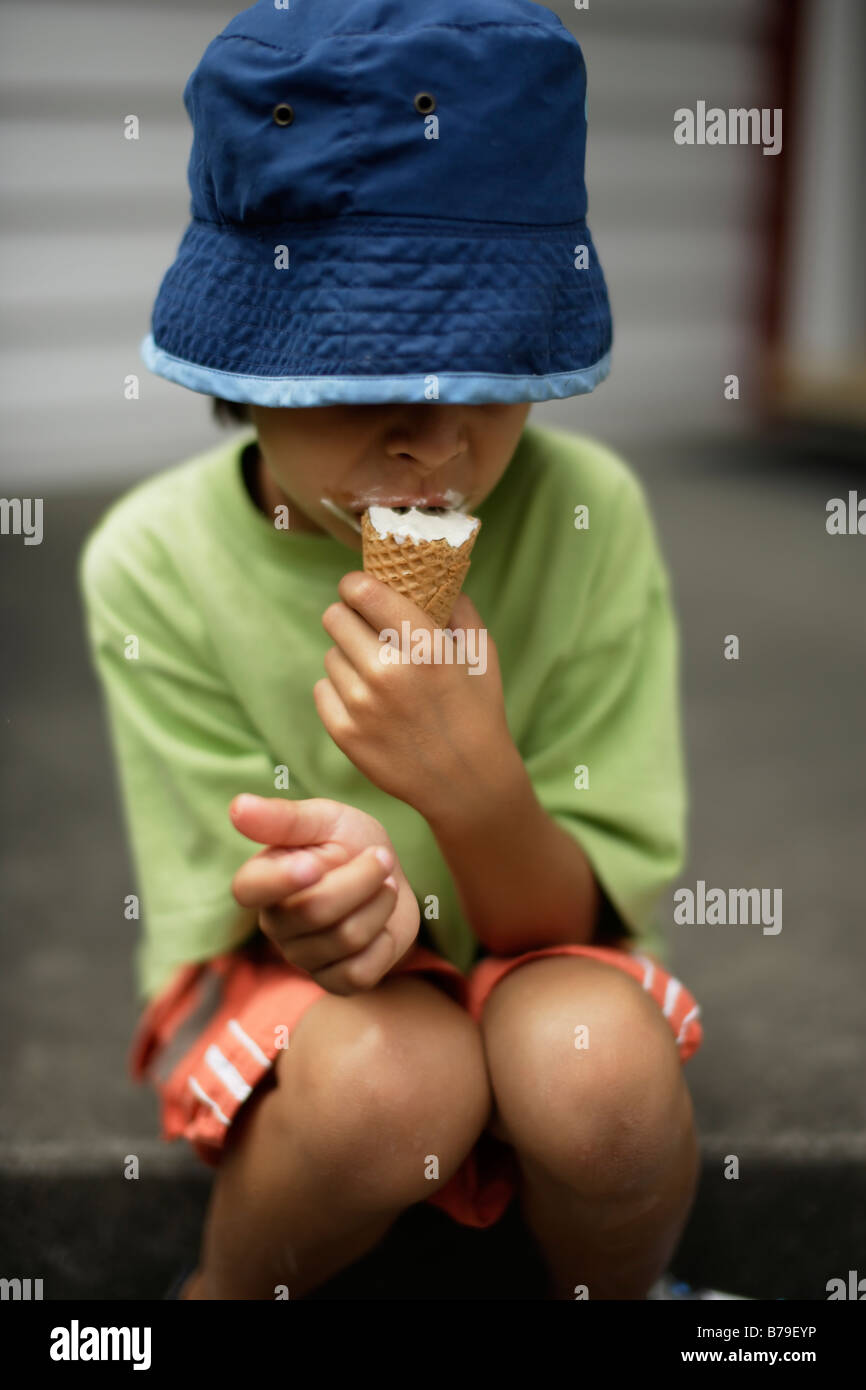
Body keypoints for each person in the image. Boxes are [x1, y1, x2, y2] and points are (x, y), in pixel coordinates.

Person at [78, 0, 703, 1300]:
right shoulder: (152, 563)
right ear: (241, 370)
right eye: (360, 378)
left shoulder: (588, 521)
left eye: (490, 372)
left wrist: (471, 784)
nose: (437, 444)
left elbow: (577, 913)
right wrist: (325, 905)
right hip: (309, 1004)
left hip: (532, 941)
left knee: (598, 1073)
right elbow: (225, 915)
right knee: (394, 1078)